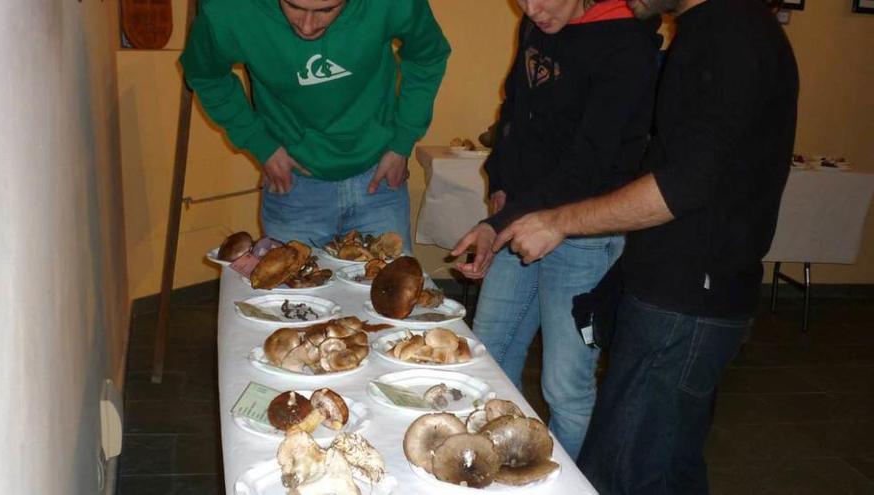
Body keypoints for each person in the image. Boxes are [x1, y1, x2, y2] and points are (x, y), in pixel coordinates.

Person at [492, 0, 799, 492]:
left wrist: (559, 221)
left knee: (626, 472)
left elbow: (684, 184)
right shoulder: (715, 28)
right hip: (679, 292)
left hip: (688, 299)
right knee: (663, 467)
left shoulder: (732, 33)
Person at [450, 0, 661, 459]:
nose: (532, 9)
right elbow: (514, 109)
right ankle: (491, 467)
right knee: (491, 355)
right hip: (523, 217)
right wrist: (502, 182)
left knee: (564, 386)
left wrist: (495, 225)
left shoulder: (627, 45)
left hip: (584, 235)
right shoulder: (538, 21)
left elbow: (587, 163)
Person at [180, 0, 450, 248]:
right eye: (293, 5)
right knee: (290, 297)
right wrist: (258, 141)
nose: (307, 26)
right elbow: (206, 76)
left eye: (326, 10)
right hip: (294, 184)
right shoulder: (228, 8)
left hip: (378, 177)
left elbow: (428, 56)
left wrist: (403, 141)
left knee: (390, 296)